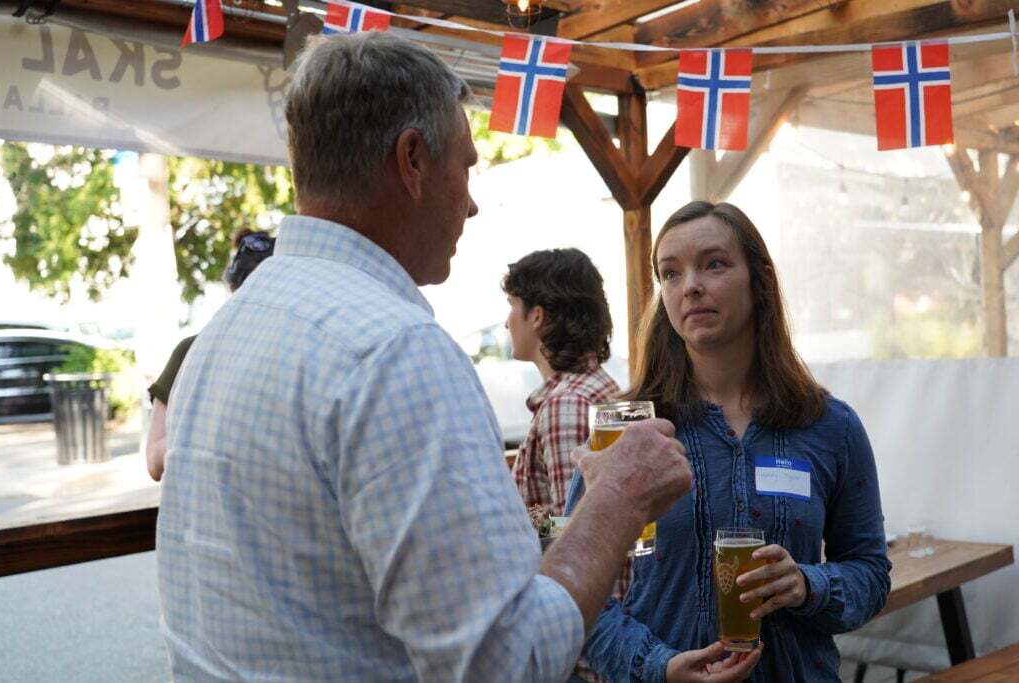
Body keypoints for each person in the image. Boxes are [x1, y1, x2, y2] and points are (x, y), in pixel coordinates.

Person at [156, 33, 756, 682]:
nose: (471, 203)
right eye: (467, 166)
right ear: (412, 159)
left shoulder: (225, 330)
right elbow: (505, 663)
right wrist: (617, 498)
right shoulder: (394, 349)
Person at [566, 201, 891, 682]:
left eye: (714, 264)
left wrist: (807, 584)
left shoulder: (829, 425)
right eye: (670, 273)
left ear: (760, 280)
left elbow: (870, 571)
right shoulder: (630, 429)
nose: (690, 286)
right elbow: (574, 591)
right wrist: (657, 666)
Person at [143, 229, 274, 481]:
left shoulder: (286, 352)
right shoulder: (190, 349)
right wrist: (205, 434)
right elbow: (154, 461)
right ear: (233, 290)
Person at [504, 248, 619, 517]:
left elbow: (575, 525)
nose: (506, 323)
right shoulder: (595, 386)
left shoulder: (566, 404)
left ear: (537, 316)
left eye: (512, 305)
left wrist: (528, 522)